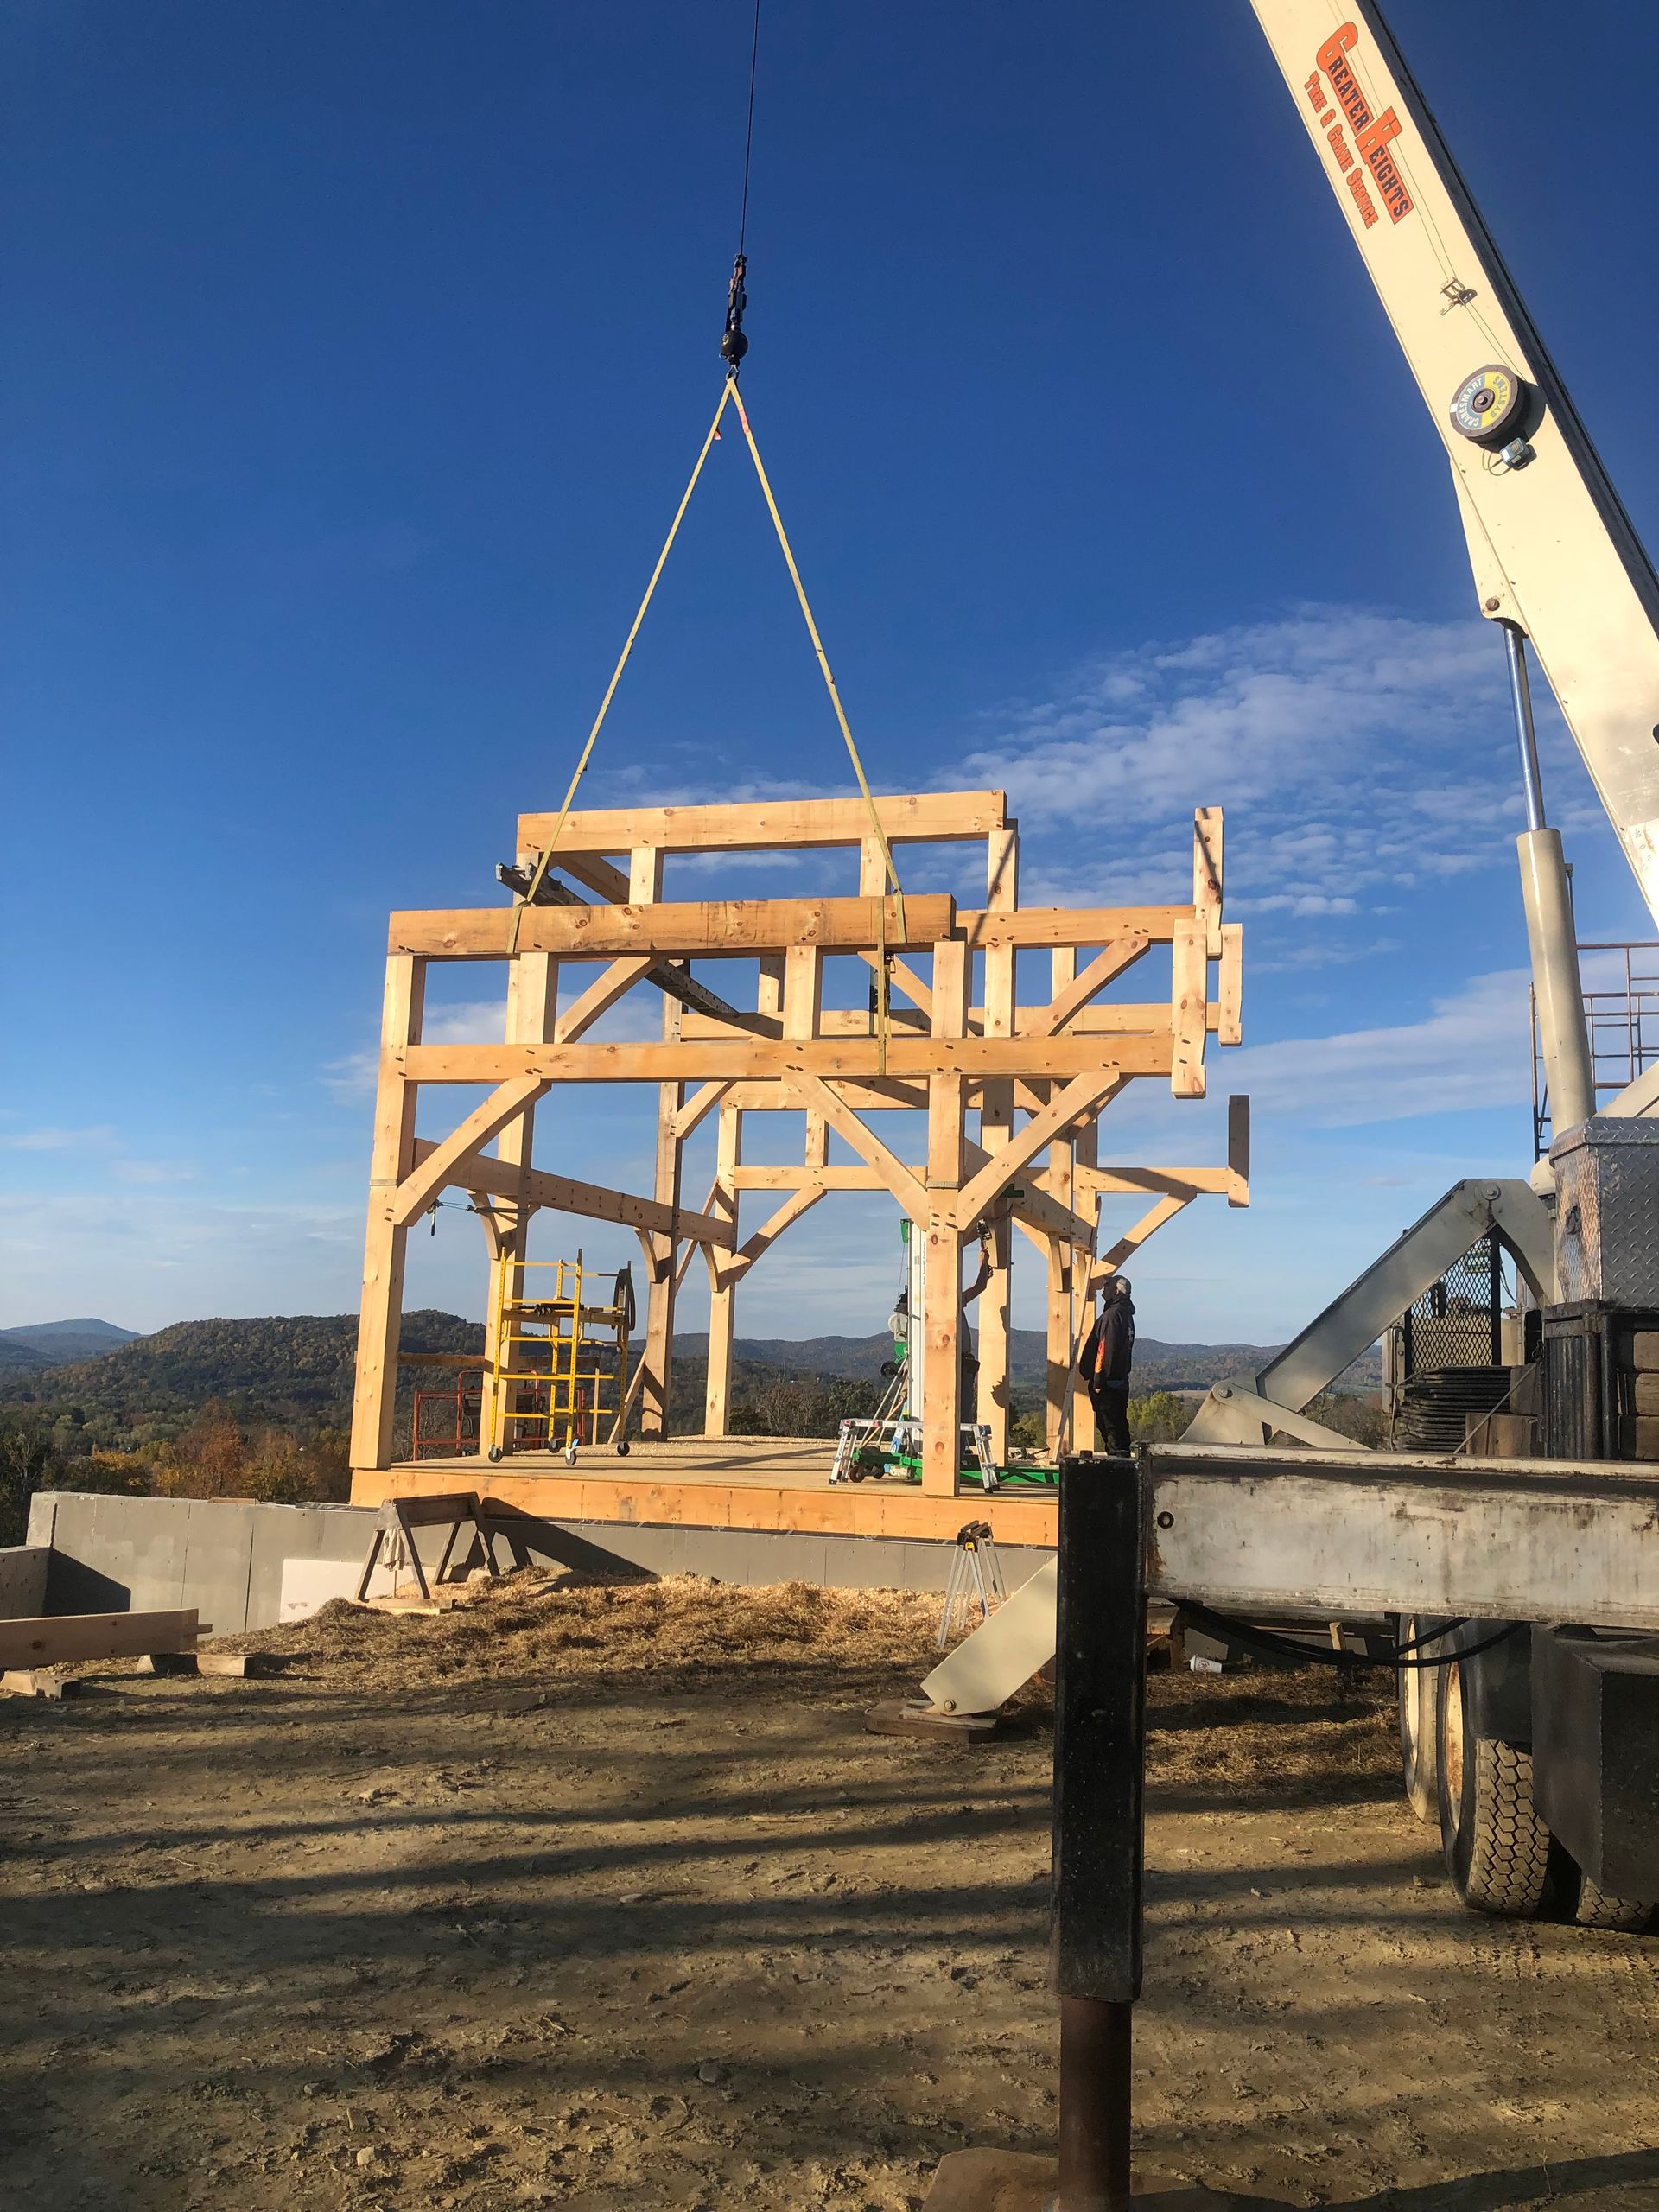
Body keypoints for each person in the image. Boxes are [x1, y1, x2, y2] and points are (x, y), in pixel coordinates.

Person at [1078, 1277, 1135, 1455]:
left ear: (1117, 1291)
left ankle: (1117, 1464)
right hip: (1119, 1381)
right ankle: (1124, 1459)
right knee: (1118, 1425)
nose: (1103, 1289)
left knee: (1110, 1427)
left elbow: (1105, 1349)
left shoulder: (1112, 1316)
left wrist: (1098, 1381)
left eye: (1108, 1286)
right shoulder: (1125, 1315)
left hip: (1108, 1384)